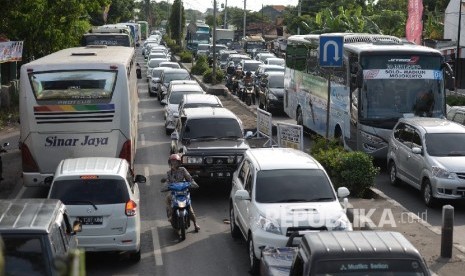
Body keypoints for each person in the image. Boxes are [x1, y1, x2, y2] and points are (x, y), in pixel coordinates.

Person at [162, 153, 200, 231]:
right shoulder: (169, 173)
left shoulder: (183, 170)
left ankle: (195, 224)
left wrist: (193, 183)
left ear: (179, 162)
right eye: (172, 161)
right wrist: (165, 186)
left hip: (183, 191)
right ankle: (170, 215)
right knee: (167, 199)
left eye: (175, 161)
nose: (174, 163)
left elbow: (189, 178)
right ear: (170, 163)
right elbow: (167, 182)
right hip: (174, 192)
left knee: (189, 208)